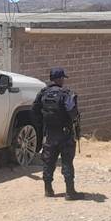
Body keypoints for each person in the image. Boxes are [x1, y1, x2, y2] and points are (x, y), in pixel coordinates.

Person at [32, 67, 83, 200]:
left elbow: (34, 110)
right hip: (65, 134)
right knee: (66, 162)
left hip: (49, 134)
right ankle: (70, 192)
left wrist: (43, 124)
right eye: (62, 78)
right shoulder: (66, 94)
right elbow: (73, 113)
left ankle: (48, 190)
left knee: (48, 161)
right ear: (60, 79)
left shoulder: (43, 93)